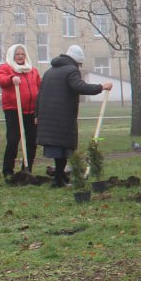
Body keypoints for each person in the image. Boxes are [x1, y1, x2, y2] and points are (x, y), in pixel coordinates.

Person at [35, 45, 113, 188]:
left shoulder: (49, 72)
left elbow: (39, 95)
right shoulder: (71, 70)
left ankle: (60, 178)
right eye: (80, 64)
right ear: (77, 61)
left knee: (58, 149)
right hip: (62, 116)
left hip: (48, 115)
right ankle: (58, 180)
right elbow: (79, 86)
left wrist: (37, 114)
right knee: (63, 148)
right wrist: (101, 87)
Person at [0, 43, 42, 177]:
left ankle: (27, 169)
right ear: (12, 55)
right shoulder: (6, 68)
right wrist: (11, 78)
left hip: (31, 111)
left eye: (22, 54)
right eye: (17, 54)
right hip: (14, 109)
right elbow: (0, 80)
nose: (20, 57)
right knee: (13, 139)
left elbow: (40, 86)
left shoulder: (32, 70)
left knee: (32, 140)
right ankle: (8, 170)